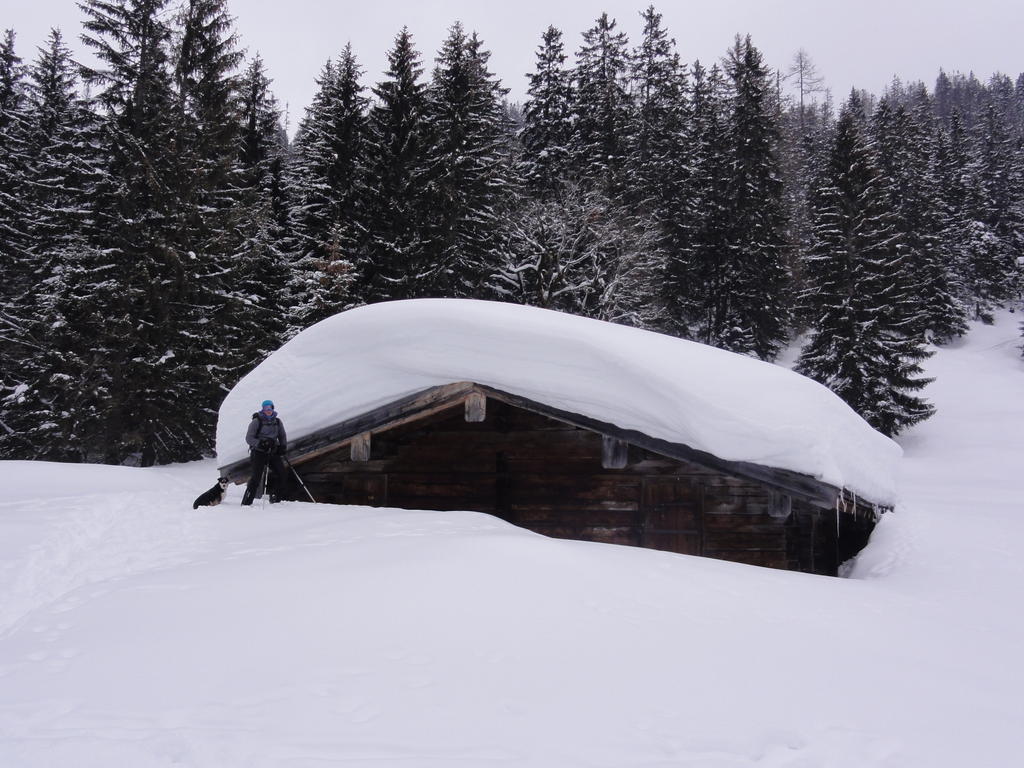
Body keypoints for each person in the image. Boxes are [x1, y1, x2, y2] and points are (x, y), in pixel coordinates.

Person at [241, 399, 290, 505]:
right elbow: (249, 438)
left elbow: (282, 435)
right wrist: (261, 443)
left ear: (273, 408)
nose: (268, 410)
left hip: (273, 451)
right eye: (266, 408)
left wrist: (283, 446)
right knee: (256, 477)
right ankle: (246, 502)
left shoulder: (277, 421)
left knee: (282, 474)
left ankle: (275, 498)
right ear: (262, 409)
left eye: (270, 408)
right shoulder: (256, 421)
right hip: (259, 452)